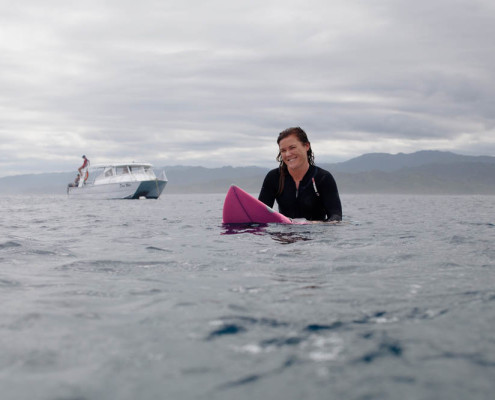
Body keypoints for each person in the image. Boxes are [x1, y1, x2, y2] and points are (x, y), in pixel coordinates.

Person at [258, 127, 342, 222]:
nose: (288, 154)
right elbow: (259, 216)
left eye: (292, 148)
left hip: (316, 235)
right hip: (284, 234)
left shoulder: (323, 178)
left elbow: (336, 218)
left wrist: (312, 224)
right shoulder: (274, 177)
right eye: (283, 151)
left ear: (306, 146)